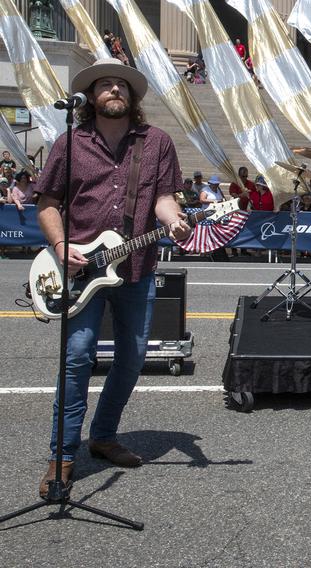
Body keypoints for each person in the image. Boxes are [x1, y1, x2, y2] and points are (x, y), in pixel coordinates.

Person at [33, 58, 191, 497]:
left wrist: (175, 220)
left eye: (121, 86)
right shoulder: (70, 141)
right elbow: (46, 203)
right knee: (79, 356)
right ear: (91, 97)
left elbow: (162, 198)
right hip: (80, 268)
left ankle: (103, 436)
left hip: (136, 268)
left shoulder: (155, 141)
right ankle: (61, 458)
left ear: (132, 97)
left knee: (133, 357)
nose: (114, 91)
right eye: (105, 85)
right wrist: (63, 248)